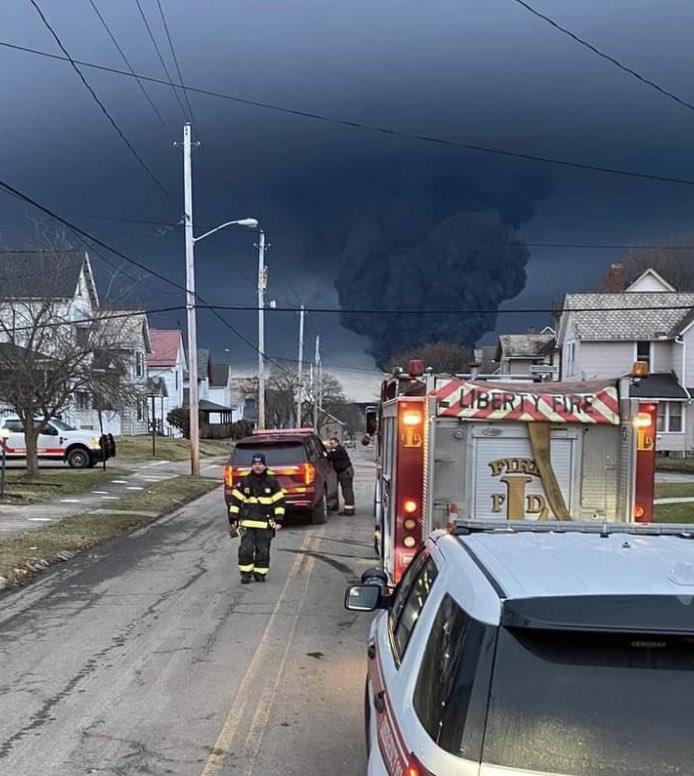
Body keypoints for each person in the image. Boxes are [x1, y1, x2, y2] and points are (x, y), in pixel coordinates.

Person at [228, 453, 285, 584]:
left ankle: (260, 573)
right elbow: (235, 501)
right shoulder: (245, 482)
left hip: (265, 524)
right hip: (246, 523)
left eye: (260, 464)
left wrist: (279, 520)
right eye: (255, 464)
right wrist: (233, 519)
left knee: (263, 550)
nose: (257, 466)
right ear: (252, 465)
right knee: (245, 549)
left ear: (264, 465)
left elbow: (279, 503)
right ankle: (246, 573)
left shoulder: (272, 482)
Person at [327, 437, 355, 515]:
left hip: (345, 472)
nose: (331, 445)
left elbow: (330, 456)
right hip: (344, 472)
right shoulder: (339, 450)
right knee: (347, 490)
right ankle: (350, 509)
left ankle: (349, 510)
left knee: (347, 491)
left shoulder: (338, 450)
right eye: (330, 443)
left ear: (337, 443)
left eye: (332, 443)